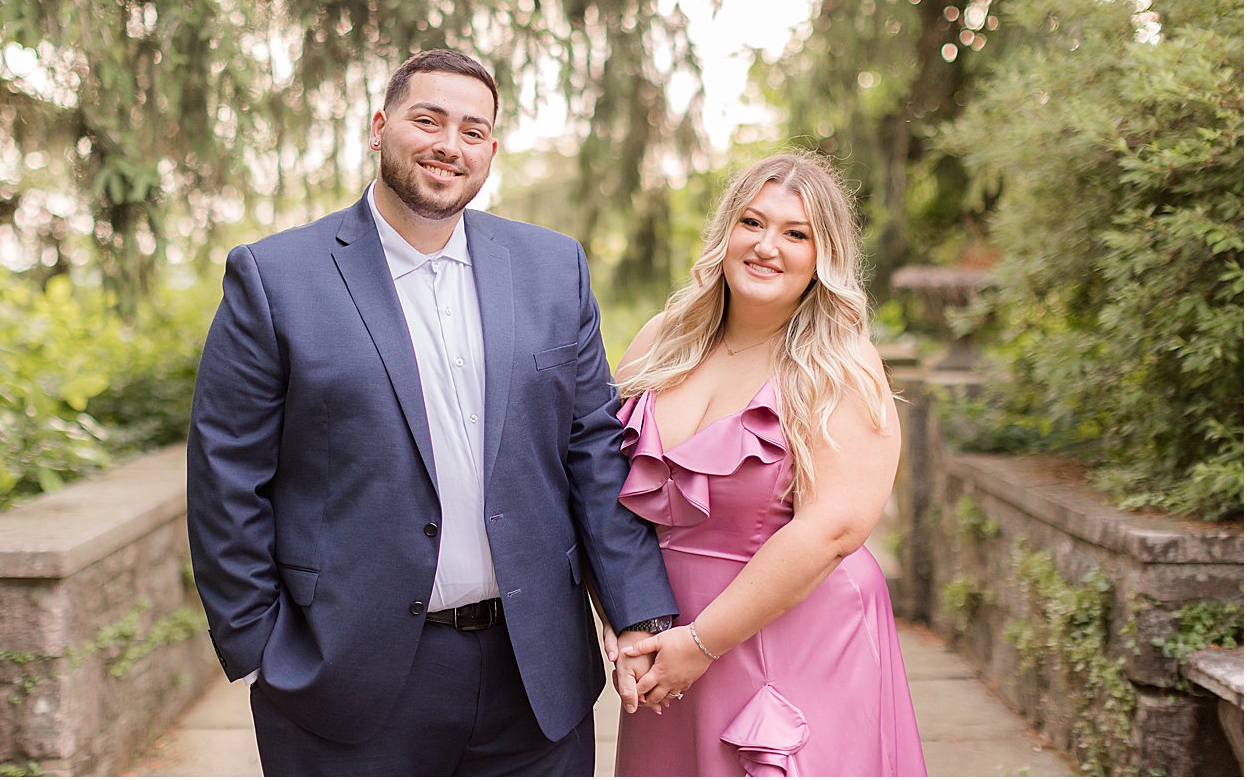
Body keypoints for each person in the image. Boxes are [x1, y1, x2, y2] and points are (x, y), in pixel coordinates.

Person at [186, 48, 677, 776]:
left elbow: (593, 451)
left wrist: (639, 612)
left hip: (533, 672)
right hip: (344, 677)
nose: (450, 144)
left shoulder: (552, 268)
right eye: (429, 119)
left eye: (473, 130)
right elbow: (227, 477)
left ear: (491, 151)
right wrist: (263, 644)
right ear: (380, 126)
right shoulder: (275, 276)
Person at [610, 152, 927, 777]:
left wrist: (701, 644)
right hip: (664, 642)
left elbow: (833, 528)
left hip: (793, 634)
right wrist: (624, 619)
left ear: (822, 255)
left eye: (795, 233)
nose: (766, 246)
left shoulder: (840, 362)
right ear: (726, 231)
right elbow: (602, 488)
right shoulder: (662, 339)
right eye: (752, 223)